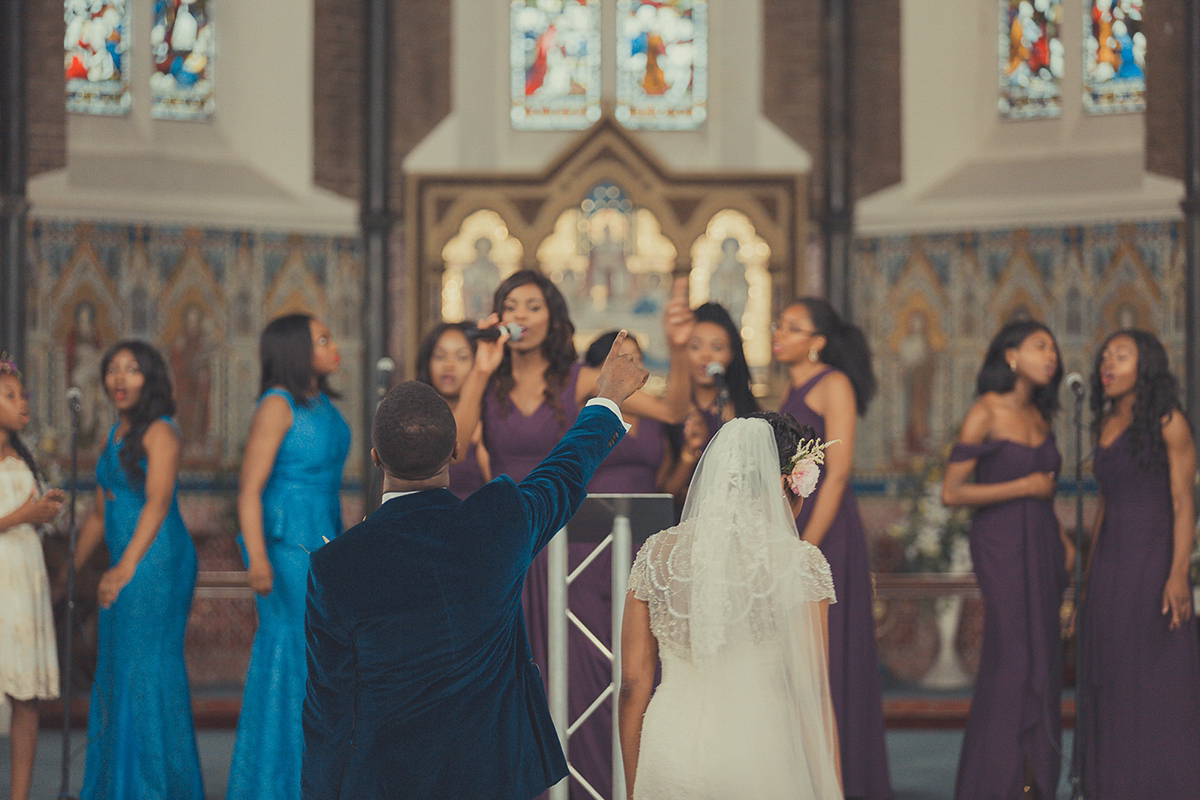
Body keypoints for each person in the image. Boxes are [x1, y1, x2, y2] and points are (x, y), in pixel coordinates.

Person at [301, 330, 648, 800]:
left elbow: (328, 712)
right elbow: (564, 471)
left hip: (387, 780)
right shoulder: (499, 523)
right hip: (494, 772)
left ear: (377, 459)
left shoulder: (335, 566)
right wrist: (606, 396)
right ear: (454, 453)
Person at [449, 270, 691, 799]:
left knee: (578, 673)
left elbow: (673, 410)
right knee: (508, 679)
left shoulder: (579, 377)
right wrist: (478, 369)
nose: (521, 315)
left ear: (554, 317)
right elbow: (458, 449)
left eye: (533, 306)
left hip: (568, 545)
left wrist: (676, 345)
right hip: (508, 547)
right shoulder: (487, 380)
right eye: (511, 305)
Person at [618, 412, 842, 800]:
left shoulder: (656, 553)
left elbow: (633, 684)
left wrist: (635, 786)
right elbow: (813, 694)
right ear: (785, 483)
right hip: (757, 752)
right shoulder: (801, 563)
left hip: (668, 749)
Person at [941, 320, 1069, 800]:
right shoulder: (985, 411)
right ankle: (993, 785)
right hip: (1000, 545)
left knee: (1044, 659)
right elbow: (951, 493)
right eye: (1041, 346)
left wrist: (1062, 536)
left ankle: (1034, 784)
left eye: (1054, 348)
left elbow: (1047, 493)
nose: (1052, 355)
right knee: (1013, 659)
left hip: (1042, 543)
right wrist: (1023, 487)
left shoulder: (1043, 416)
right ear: (1011, 356)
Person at [72, 341, 204, 800]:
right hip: (123, 562)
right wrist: (67, 570)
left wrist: (125, 566)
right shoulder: (112, 436)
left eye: (131, 369)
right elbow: (95, 512)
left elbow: (159, 500)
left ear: (150, 378)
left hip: (156, 562)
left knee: (146, 668)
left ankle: (154, 788)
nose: (119, 378)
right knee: (117, 666)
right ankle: (117, 785)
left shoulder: (162, 432)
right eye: (112, 370)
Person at [226, 314, 351, 800]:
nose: (333, 345)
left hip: (324, 539)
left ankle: (314, 779)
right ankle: (277, 785)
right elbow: (249, 489)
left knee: (319, 658)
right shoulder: (277, 405)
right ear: (298, 350)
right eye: (323, 339)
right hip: (285, 549)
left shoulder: (319, 403)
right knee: (292, 655)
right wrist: (257, 559)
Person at [772, 297, 891, 800]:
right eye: (780, 324)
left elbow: (838, 471)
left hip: (825, 530)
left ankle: (844, 781)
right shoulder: (791, 386)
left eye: (792, 328)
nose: (780, 333)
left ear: (817, 340)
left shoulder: (833, 383)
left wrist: (804, 550)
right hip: (792, 524)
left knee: (827, 649)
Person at [1078, 329, 1200, 798]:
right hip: (1112, 558)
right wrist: (1091, 571)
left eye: (1121, 355)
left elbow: (1183, 501)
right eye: (1105, 355)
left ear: (1144, 365)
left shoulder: (1170, 422)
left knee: (1154, 674)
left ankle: (1163, 784)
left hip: (1154, 556)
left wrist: (1177, 575)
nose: (1108, 363)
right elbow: (1106, 502)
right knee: (1111, 670)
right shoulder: (1101, 424)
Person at [0, 357, 64, 800]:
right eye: (10, 395)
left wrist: (44, 514)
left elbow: (25, 521)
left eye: (23, 395)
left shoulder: (23, 457)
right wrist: (25, 513)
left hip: (24, 580)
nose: (22, 402)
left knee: (25, 695)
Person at [660, 302, 760, 506]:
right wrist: (689, 451)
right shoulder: (668, 413)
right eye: (695, 347)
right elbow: (664, 493)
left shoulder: (748, 412)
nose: (706, 356)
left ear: (731, 355)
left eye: (717, 347)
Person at [416, 322, 490, 499]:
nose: (449, 365)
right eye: (440, 356)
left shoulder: (491, 422)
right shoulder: (414, 421)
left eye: (461, 357)